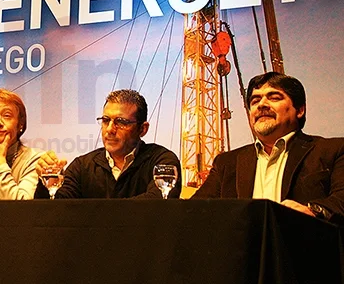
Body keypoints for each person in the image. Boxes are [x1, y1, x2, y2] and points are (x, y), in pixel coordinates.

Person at [193, 72, 344, 224]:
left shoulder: (334, 150)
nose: (262, 105)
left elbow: (340, 200)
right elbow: (195, 211)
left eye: (274, 97)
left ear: (300, 110)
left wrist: (312, 211)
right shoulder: (226, 162)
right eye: (255, 100)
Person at [34, 89, 182, 199]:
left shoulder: (163, 162)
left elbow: (157, 206)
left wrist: (90, 213)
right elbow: (55, 212)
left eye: (121, 122)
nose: (110, 129)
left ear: (142, 129)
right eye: (106, 120)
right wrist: (47, 185)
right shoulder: (82, 166)